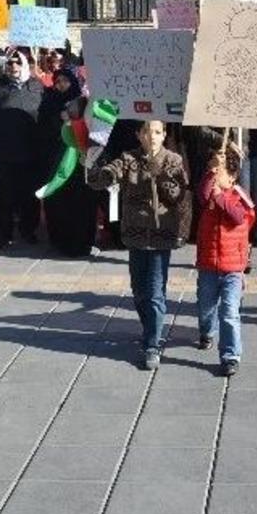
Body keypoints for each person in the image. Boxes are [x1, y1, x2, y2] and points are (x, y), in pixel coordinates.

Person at [88, 120, 190, 369]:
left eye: (157, 132)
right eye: (146, 131)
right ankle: (149, 329)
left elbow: (178, 195)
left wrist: (160, 174)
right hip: (135, 234)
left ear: (164, 135)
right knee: (139, 291)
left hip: (160, 235)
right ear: (138, 135)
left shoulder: (173, 160)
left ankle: (153, 344)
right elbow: (102, 179)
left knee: (155, 292)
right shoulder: (129, 158)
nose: (151, 137)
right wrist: (96, 164)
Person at [195, 147, 256, 377]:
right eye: (212, 171)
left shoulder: (240, 196)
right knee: (205, 306)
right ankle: (206, 331)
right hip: (209, 264)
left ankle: (231, 355)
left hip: (232, 267)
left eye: (219, 172)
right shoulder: (209, 192)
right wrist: (211, 174)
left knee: (230, 312)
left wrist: (220, 195)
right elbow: (201, 194)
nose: (214, 175)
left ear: (232, 177)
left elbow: (238, 216)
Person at [0, 52, 44, 247]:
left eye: (18, 63)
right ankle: (4, 233)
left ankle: (28, 231)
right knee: (3, 197)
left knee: (29, 196)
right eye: (10, 63)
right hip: (3, 152)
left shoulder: (36, 87)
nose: (13, 67)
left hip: (31, 152)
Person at [38, 67, 98, 257]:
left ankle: (84, 242)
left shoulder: (83, 103)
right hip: (56, 162)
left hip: (80, 163)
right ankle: (60, 241)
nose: (62, 85)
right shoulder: (48, 103)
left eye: (66, 81)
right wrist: (59, 119)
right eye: (58, 81)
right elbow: (42, 130)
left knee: (82, 203)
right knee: (59, 203)